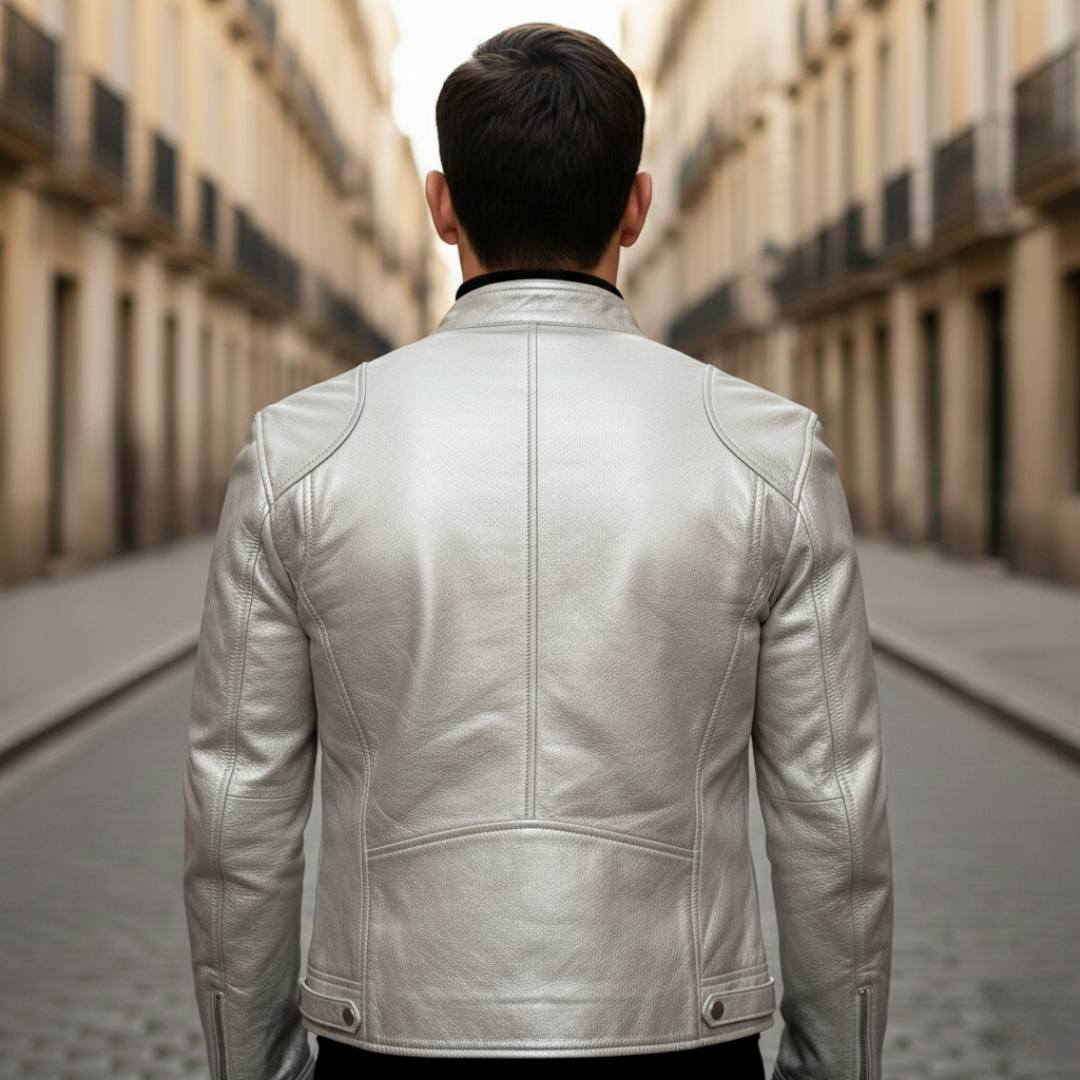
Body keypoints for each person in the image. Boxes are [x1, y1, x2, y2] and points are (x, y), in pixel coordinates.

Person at [184, 23, 892, 1080]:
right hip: (681, 1037)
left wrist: (258, 1067)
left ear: (440, 206)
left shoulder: (299, 452)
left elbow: (236, 813)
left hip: (389, 1035)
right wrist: (835, 1068)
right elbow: (833, 815)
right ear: (637, 208)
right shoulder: (769, 455)